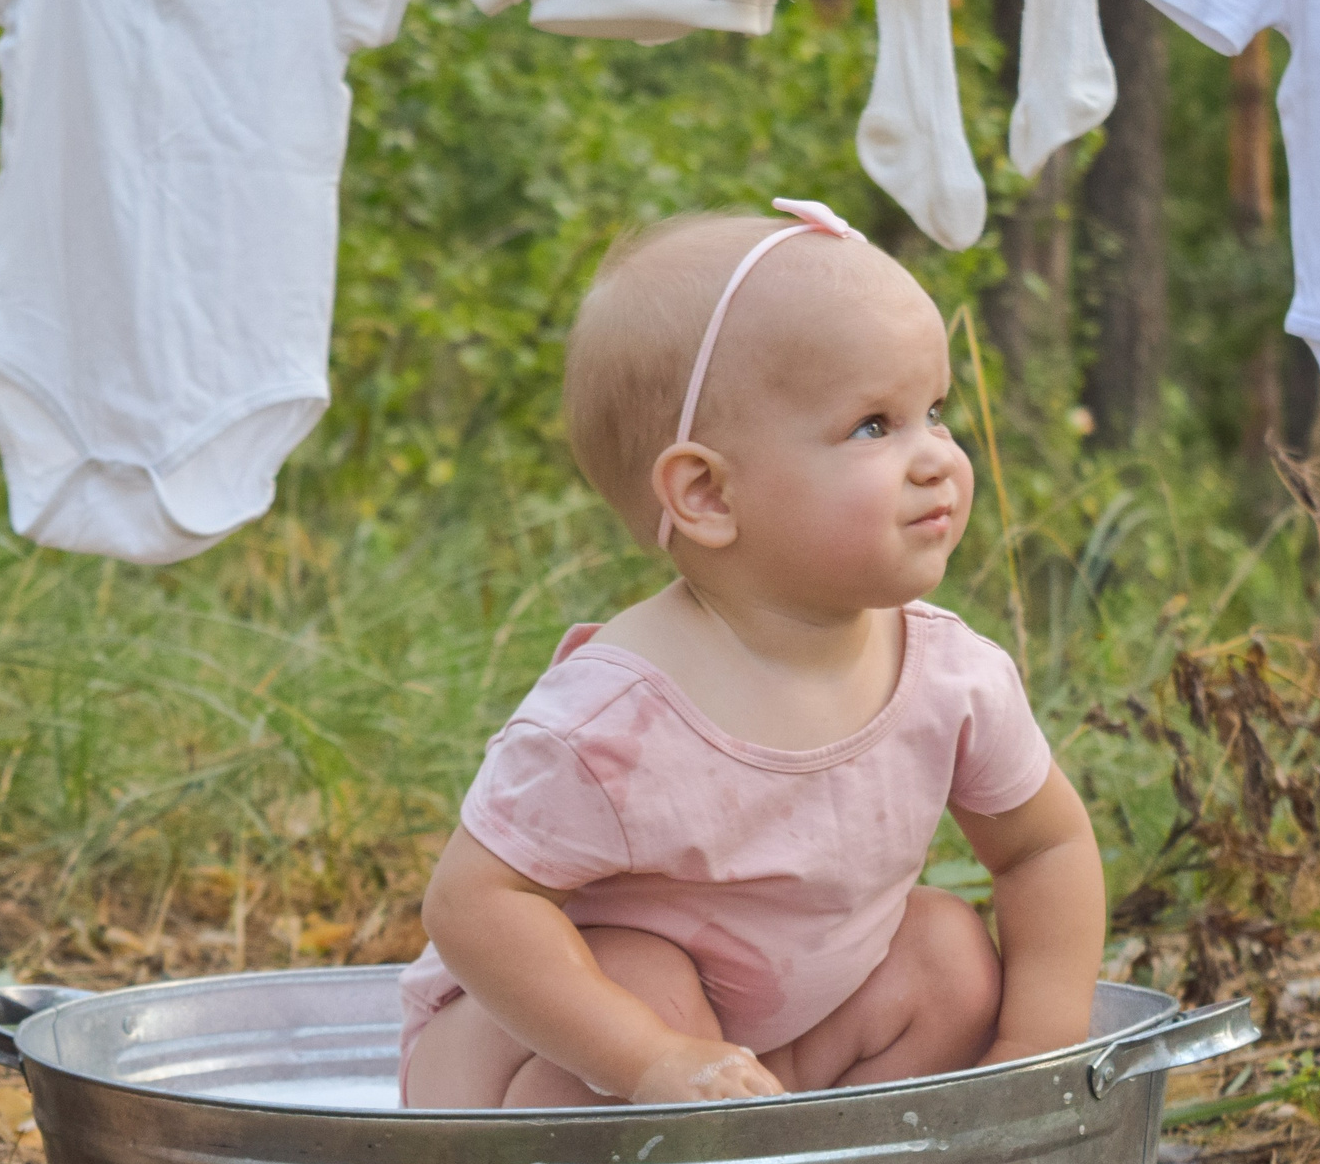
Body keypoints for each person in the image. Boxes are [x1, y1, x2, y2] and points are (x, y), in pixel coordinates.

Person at [397, 199, 1104, 1107]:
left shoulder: (951, 677)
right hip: (539, 1062)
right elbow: (473, 906)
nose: (936, 458)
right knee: (646, 977)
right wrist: (649, 1059)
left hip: (766, 1044)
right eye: (874, 426)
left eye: (934, 412)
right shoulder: (614, 723)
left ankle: (811, 1160)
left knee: (946, 958)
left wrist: (1037, 1047)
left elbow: (1044, 846)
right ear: (707, 494)